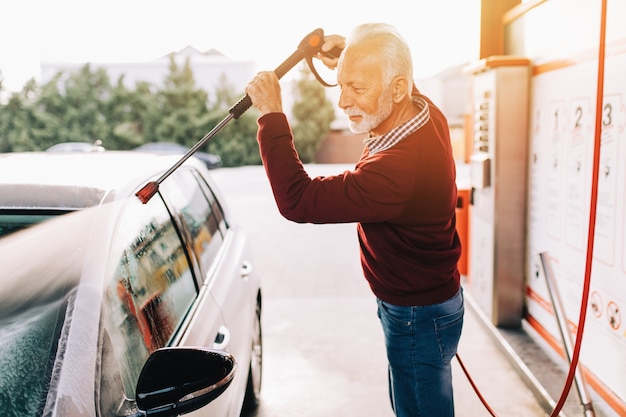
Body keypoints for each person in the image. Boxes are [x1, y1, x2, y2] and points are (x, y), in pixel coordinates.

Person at [245, 23, 464, 417]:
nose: (342, 101)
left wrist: (272, 114)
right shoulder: (425, 112)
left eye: (357, 88)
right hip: (426, 304)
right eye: (341, 83)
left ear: (396, 89)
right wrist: (348, 55)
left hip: (417, 314)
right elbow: (394, 71)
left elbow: (299, 199)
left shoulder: (396, 170)